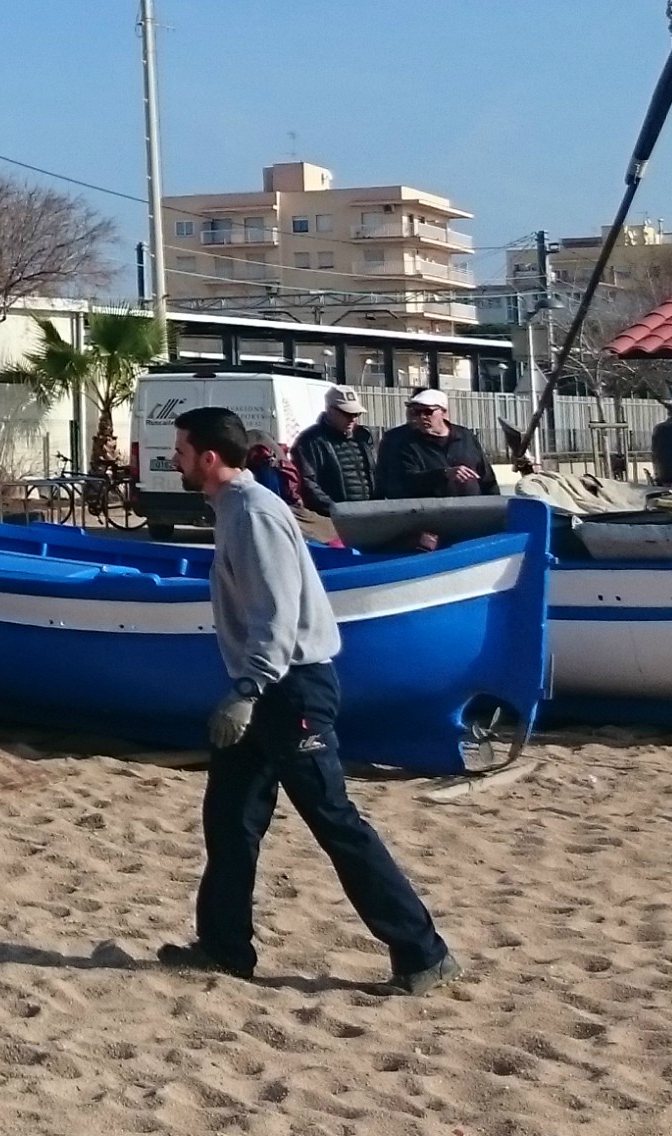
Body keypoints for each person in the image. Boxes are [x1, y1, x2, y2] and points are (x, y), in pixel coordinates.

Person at [158, 405, 459, 996]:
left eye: (183, 450)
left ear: (210, 458)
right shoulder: (233, 509)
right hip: (267, 686)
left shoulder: (254, 514)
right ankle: (224, 946)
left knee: (334, 819)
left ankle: (423, 952)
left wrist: (247, 688)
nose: (176, 459)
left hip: (290, 686)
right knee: (230, 817)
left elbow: (278, 608)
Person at [374, 389, 499, 499]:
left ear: (443, 412)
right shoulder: (406, 442)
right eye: (417, 412)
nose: (422, 417)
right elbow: (405, 481)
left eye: (428, 412)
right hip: (429, 517)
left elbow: (486, 477)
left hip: (471, 513)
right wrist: (444, 474)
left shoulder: (465, 436)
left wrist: (495, 508)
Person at [292, 387, 379, 510]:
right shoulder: (309, 441)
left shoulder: (364, 438)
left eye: (356, 414)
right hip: (331, 520)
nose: (352, 419)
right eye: (347, 413)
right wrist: (335, 509)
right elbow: (307, 483)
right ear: (330, 410)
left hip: (370, 515)